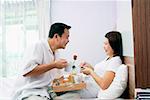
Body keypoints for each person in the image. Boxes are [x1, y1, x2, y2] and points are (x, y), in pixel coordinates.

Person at [12, 23, 71, 100]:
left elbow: (54, 79)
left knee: (76, 96)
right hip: (31, 91)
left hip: (47, 92)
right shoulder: (38, 45)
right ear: (56, 36)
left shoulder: (56, 52)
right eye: (67, 37)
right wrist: (54, 65)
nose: (68, 40)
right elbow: (27, 72)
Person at [80, 31, 125, 99]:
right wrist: (91, 68)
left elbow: (104, 84)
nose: (104, 47)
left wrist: (90, 72)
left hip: (90, 90)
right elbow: (101, 74)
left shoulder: (115, 61)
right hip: (86, 85)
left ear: (113, 44)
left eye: (106, 44)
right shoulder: (109, 58)